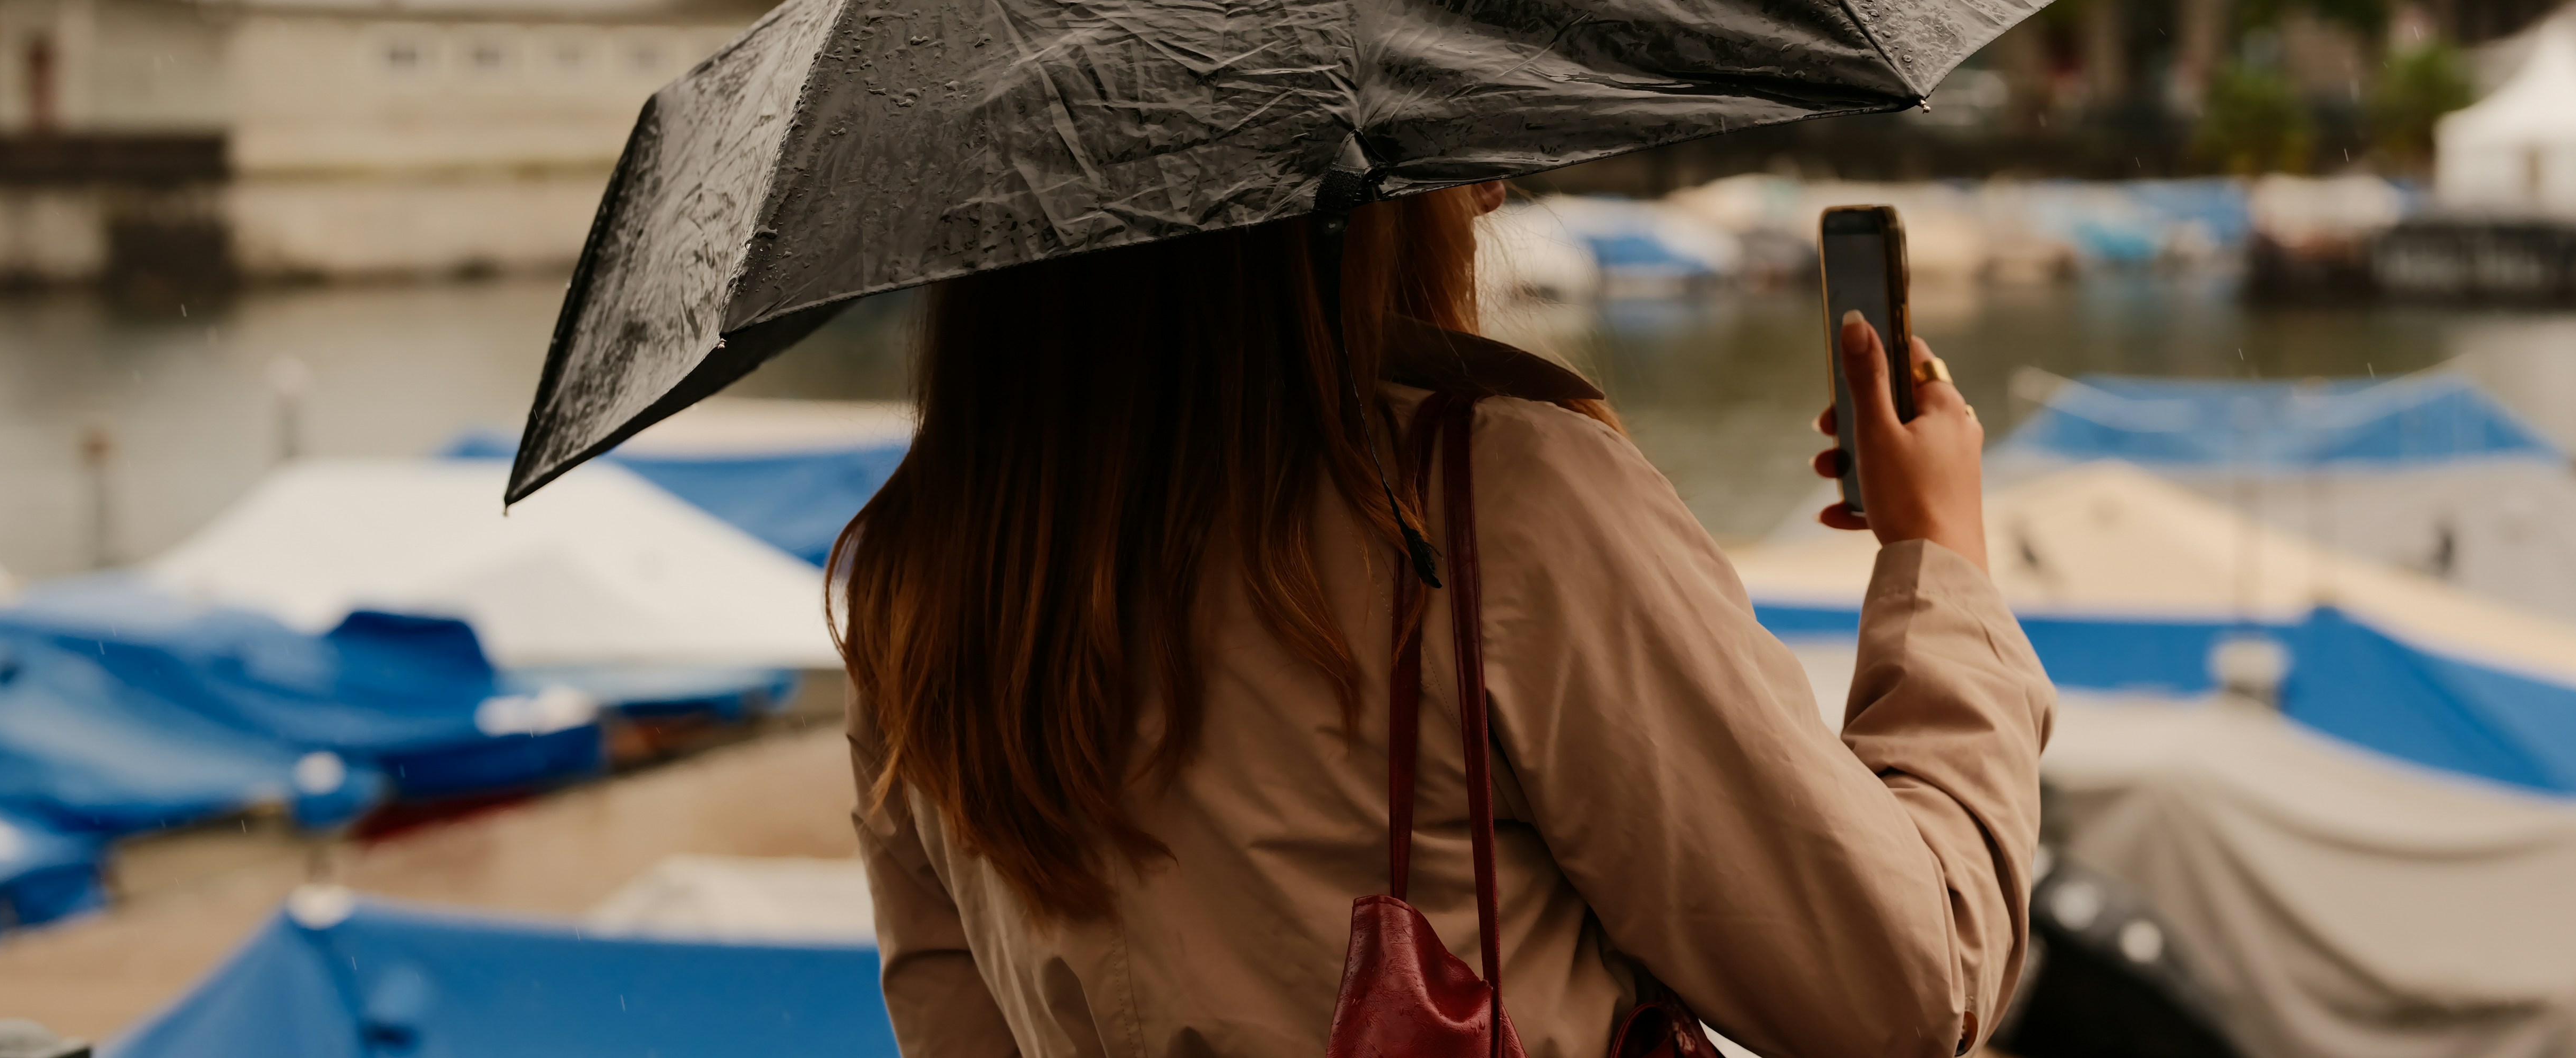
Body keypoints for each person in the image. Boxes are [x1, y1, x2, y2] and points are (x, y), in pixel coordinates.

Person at [838, 182, 2052, 1058]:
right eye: (1430, 148)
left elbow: (955, 1025)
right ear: (1321, 201)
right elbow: (1902, 981)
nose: (1485, 192)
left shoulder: (917, 586)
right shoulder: (1490, 498)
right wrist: (1940, 557)